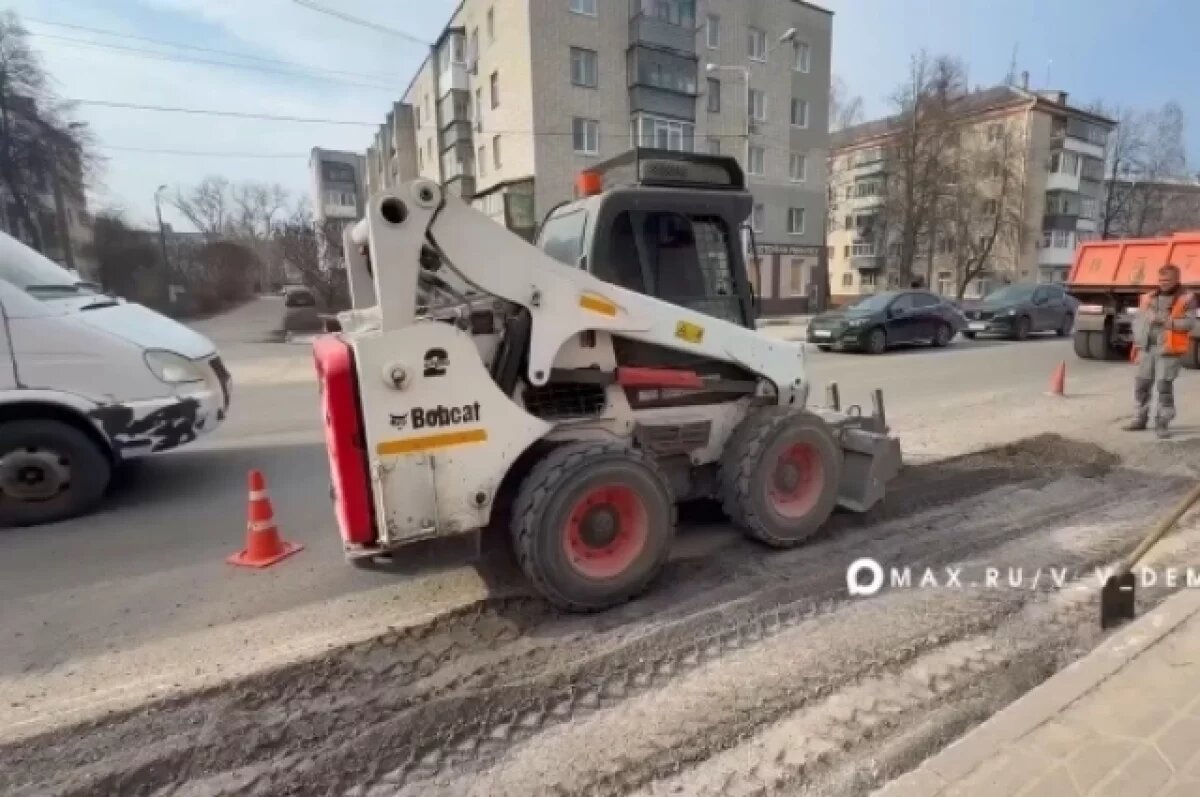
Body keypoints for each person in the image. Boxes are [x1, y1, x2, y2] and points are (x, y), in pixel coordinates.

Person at [1126, 264, 1196, 438]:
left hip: (1169, 349)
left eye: (1168, 280)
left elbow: (1190, 324)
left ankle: (1162, 422)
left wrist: (1164, 321)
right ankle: (1139, 419)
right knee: (1141, 384)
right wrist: (1137, 343)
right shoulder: (1148, 297)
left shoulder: (1187, 299)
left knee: (1164, 386)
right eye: (1161, 280)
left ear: (1177, 279)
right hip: (1147, 348)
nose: (1163, 283)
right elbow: (1139, 322)